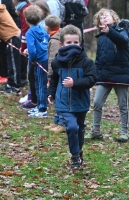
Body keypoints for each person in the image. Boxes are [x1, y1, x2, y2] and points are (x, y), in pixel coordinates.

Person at [47, 25, 96, 168]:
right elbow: (54, 79)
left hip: (80, 101)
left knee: (80, 128)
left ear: (80, 43)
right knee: (72, 127)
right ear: (61, 44)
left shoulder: (86, 62)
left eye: (75, 42)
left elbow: (91, 79)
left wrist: (76, 82)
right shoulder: (57, 62)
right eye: (69, 43)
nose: (72, 45)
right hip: (63, 103)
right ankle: (74, 156)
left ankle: (79, 150)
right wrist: (51, 93)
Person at [84, 8, 129, 142]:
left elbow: (122, 41)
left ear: (114, 17)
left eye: (107, 15)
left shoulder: (122, 30)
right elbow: (98, 59)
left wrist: (110, 32)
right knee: (97, 103)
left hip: (120, 75)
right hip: (105, 76)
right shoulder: (101, 37)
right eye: (101, 17)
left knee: (123, 105)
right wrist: (95, 75)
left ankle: (124, 132)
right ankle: (96, 131)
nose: (104, 18)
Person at [23, 5, 49, 117]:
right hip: (45, 59)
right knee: (40, 83)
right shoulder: (42, 29)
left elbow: (32, 50)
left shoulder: (29, 32)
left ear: (25, 19)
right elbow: (45, 41)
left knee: (40, 85)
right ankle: (39, 106)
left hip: (38, 61)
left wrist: (32, 58)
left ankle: (42, 109)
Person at [43, 14, 66, 133]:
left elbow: (53, 59)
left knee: (59, 98)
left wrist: (50, 75)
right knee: (56, 98)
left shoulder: (55, 40)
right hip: (57, 73)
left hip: (57, 74)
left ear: (47, 27)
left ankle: (62, 123)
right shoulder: (56, 37)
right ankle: (57, 121)